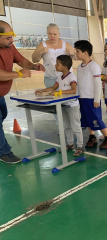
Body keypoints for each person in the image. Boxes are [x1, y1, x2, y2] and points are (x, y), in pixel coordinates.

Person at [0, 20, 44, 164]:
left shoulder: (9, 47)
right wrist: (18, 75)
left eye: (12, 36)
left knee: (2, 116)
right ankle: (4, 152)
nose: (12, 40)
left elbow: (21, 61)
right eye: (8, 38)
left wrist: (33, 66)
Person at [35, 55, 84, 156]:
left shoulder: (71, 77)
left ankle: (80, 146)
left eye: (57, 63)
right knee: (66, 126)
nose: (55, 65)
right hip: (63, 105)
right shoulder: (59, 77)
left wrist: (60, 92)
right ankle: (70, 144)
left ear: (65, 67)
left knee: (76, 126)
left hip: (72, 106)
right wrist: (42, 90)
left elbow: (74, 90)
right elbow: (53, 87)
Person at [74, 40, 107, 149]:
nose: (76, 54)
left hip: (92, 99)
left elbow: (97, 84)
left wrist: (97, 99)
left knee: (96, 119)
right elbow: (79, 83)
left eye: (77, 51)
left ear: (85, 53)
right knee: (87, 118)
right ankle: (92, 136)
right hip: (82, 98)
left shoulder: (94, 66)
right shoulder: (79, 67)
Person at [32, 23, 75, 88]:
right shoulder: (42, 45)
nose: (52, 36)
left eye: (55, 34)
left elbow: (76, 57)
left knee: (68, 96)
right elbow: (34, 59)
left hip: (66, 77)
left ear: (59, 35)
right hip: (50, 79)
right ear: (47, 34)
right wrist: (40, 52)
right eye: (50, 34)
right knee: (52, 97)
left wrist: (73, 53)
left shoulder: (65, 44)